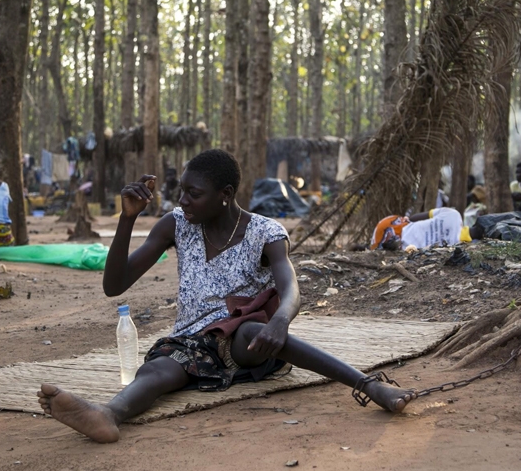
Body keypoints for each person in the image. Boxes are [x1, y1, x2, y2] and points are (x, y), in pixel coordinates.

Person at [37, 149, 415, 443]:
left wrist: (280, 321)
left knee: (251, 331)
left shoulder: (265, 232)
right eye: (181, 190)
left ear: (226, 194)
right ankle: (108, 415)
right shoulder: (177, 225)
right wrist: (127, 219)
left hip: (248, 343)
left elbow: (290, 287)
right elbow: (114, 285)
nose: (182, 200)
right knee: (157, 369)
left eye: (194, 194)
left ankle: (370, 386)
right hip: (191, 345)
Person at [370, 207, 472, 252]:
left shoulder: (453, 214)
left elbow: (425, 215)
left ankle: (362, 246)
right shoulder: (455, 244)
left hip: (397, 229)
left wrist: (408, 220)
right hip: (398, 233)